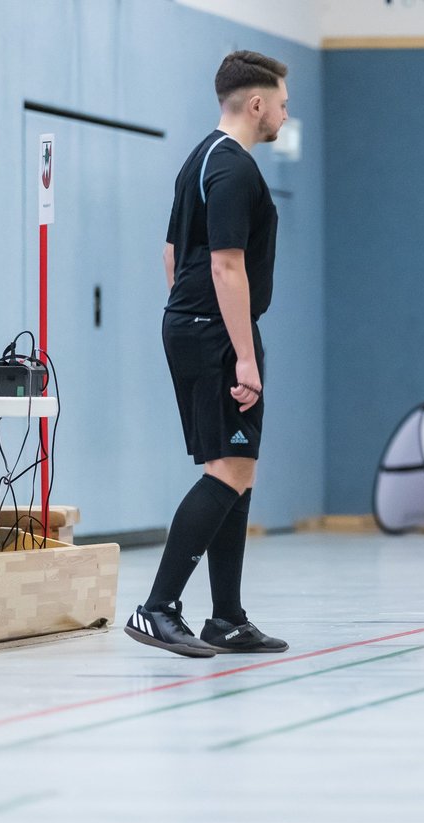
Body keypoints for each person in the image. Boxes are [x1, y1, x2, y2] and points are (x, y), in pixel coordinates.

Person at [124, 51, 290, 657]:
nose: (283, 113)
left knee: (236, 473)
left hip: (201, 326)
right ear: (256, 104)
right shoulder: (234, 168)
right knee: (229, 470)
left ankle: (226, 618)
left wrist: (192, 318)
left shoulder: (199, 158)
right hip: (217, 333)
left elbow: (172, 255)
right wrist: (241, 355)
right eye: (282, 102)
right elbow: (225, 264)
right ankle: (157, 608)